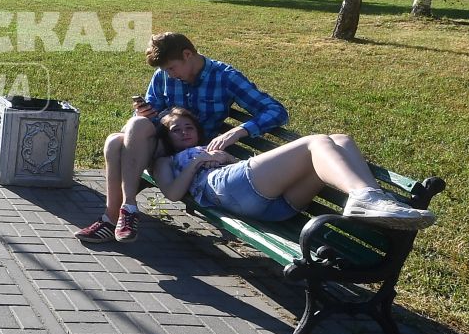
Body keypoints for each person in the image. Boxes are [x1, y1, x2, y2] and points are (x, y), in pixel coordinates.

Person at [77, 30, 288, 244]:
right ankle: (127, 208)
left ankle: (112, 218)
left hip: (191, 153)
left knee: (118, 143)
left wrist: (239, 130)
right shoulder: (163, 76)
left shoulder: (224, 76)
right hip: (163, 146)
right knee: (120, 136)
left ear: (188, 54)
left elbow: (276, 110)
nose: (169, 75)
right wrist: (144, 113)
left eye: (171, 68)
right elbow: (149, 113)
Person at [147, 107, 437, 229]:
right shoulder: (166, 160)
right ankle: (366, 197)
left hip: (277, 208)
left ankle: (370, 199)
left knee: (340, 139)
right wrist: (198, 161)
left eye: (188, 127)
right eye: (175, 130)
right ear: (166, 138)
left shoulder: (209, 146)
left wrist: (228, 158)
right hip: (224, 186)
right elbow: (172, 194)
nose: (184, 132)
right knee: (315, 143)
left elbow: (249, 177)